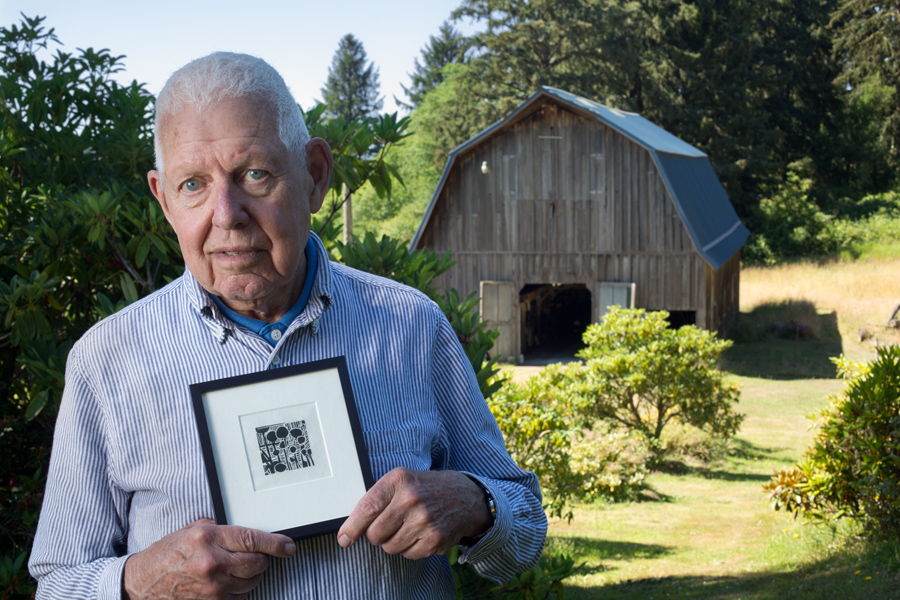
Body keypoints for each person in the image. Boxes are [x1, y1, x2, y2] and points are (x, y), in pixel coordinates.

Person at [28, 52, 546, 599]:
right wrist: (137, 582)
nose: (226, 214)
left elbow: (526, 529)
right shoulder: (105, 361)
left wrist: (475, 504)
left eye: (255, 174)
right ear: (164, 200)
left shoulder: (412, 326)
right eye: (193, 185)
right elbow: (57, 584)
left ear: (315, 175)